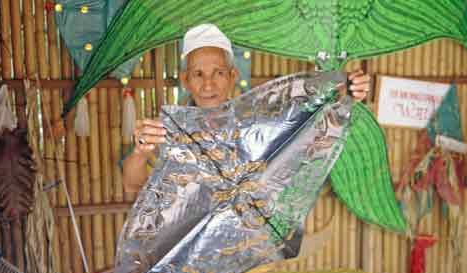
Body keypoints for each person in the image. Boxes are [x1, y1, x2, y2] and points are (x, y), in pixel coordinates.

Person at [123, 24, 371, 194]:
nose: (208, 83)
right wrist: (141, 152)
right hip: (184, 260)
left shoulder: (258, 122)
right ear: (185, 80)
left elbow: (311, 118)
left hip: (243, 251)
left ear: (232, 76)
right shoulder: (166, 130)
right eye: (198, 74)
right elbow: (132, 186)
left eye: (218, 73)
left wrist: (348, 91)